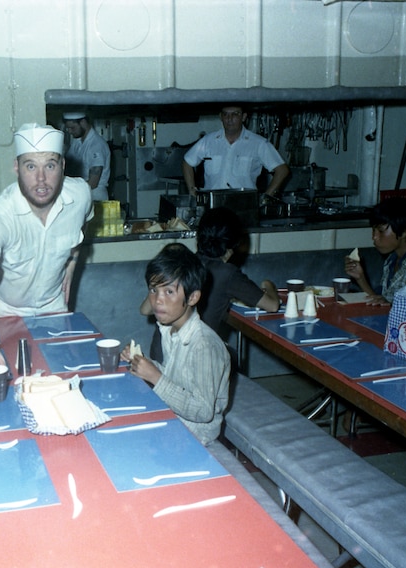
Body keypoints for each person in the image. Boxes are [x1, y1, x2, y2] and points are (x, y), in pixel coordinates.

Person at [0, 123, 93, 382]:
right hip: (4, 314)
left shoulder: (80, 194)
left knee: (61, 383)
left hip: (53, 309)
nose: (41, 179)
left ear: (63, 166)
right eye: (31, 166)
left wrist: (73, 259)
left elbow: (83, 221)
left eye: (50, 166)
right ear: (16, 167)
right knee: (12, 387)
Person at [122, 244, 231, 445]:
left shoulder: (203, 345)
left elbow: (203, 411)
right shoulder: (170, 329)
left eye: (169, 292)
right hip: (172, 421)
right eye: (153, 290)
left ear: (192, 297)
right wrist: (143, 362)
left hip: (194, 436)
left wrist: (155, 376)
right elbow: (178, 379)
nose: (157, 301)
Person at [195, 207, 281, 339]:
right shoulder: (227, 273)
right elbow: (272, 305)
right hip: (197, 352)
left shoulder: (190, 260)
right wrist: (269, 285)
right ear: (233, 244)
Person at [344, 196, 406, 306]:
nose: (374, 237)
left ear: (403, 232)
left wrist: (391, 305)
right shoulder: (391, 261)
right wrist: (360, 278)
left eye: (381, 231)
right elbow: (379, 302)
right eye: (373, 230)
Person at [181, 105, 289, 202]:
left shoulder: (258, 143)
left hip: (244, 206)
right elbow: (187, 163)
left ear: (244, 117)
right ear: (220, 117)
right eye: (225, 114)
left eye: (235, 114)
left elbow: (282, 170)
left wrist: (266, 197)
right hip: (212, 205)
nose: (229, 118)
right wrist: (192, 192)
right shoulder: (208, 141)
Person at [63, 112, 111, 201]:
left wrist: (70, 190)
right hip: (81, 192)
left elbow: (93, 183)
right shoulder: (77, 142)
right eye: (68, 128)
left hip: (94, 195)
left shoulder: (96, 145)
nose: (69, 131)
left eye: (72, 128)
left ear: (83, 123)